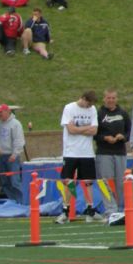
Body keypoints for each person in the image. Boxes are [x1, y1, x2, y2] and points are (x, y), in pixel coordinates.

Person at [56, 91, 99, 224]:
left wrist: (78, 128)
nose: (89, 107)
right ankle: (65, 211)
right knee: (69, 182)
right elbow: (70, 130)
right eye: (88, 103)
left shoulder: (92, 109)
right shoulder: (69, 108)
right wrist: (85, 129)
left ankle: (90, 210)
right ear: (83, 99)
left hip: (87, 153)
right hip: (71, 152)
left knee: (88, 183)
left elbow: (94, 130)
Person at [94, 90, 130, 216]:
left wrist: (123, 137)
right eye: (108, 98)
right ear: (104, 99)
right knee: (106, 181)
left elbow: (129, 132)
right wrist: (105, 138)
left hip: (120, 152)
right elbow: (94, 134)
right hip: (104, 152)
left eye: (113, 98)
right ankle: (110, 209)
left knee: (121, 182)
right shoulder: (98, 114)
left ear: (117, 99)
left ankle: (121, 208)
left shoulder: (123, 113)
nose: (111, 100)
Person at [0, 104, 25, 203]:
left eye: (0, 112)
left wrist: (15, 154)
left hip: (12, 156)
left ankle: (20, 202)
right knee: (4, 181)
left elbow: (19, 140)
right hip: (2, 156)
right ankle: (12, 201)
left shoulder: (16, 124)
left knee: (15, 181)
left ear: (7, 111)